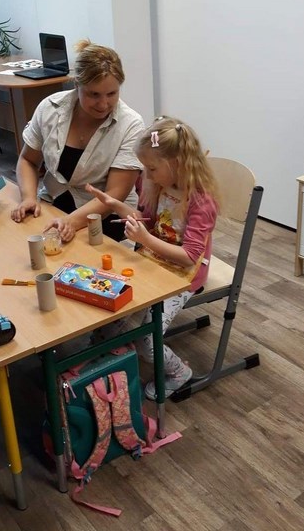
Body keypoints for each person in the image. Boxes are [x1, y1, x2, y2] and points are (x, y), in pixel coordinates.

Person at [87, 116, 220, 399]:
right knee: (111, 311)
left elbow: (189, 256)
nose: (146, 174)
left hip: (183, 276)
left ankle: (178, 372)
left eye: (152, 168)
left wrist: (146, 239)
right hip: (153, 262)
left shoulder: (201, 200)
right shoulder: (158, 184)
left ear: (177, 164)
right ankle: (106, 361)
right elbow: (147, 221)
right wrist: (116, 205)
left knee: (146, 338)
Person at [10, 39, 144, 242]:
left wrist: (71, 222)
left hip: (108, 220)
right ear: (76, 84)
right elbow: (28, 160)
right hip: (55, 205)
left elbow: (114, 194)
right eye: (94, 94)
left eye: (112, 94)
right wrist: (28, 197)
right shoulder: (49, 108)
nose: (103, 104)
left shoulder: (131, 124)